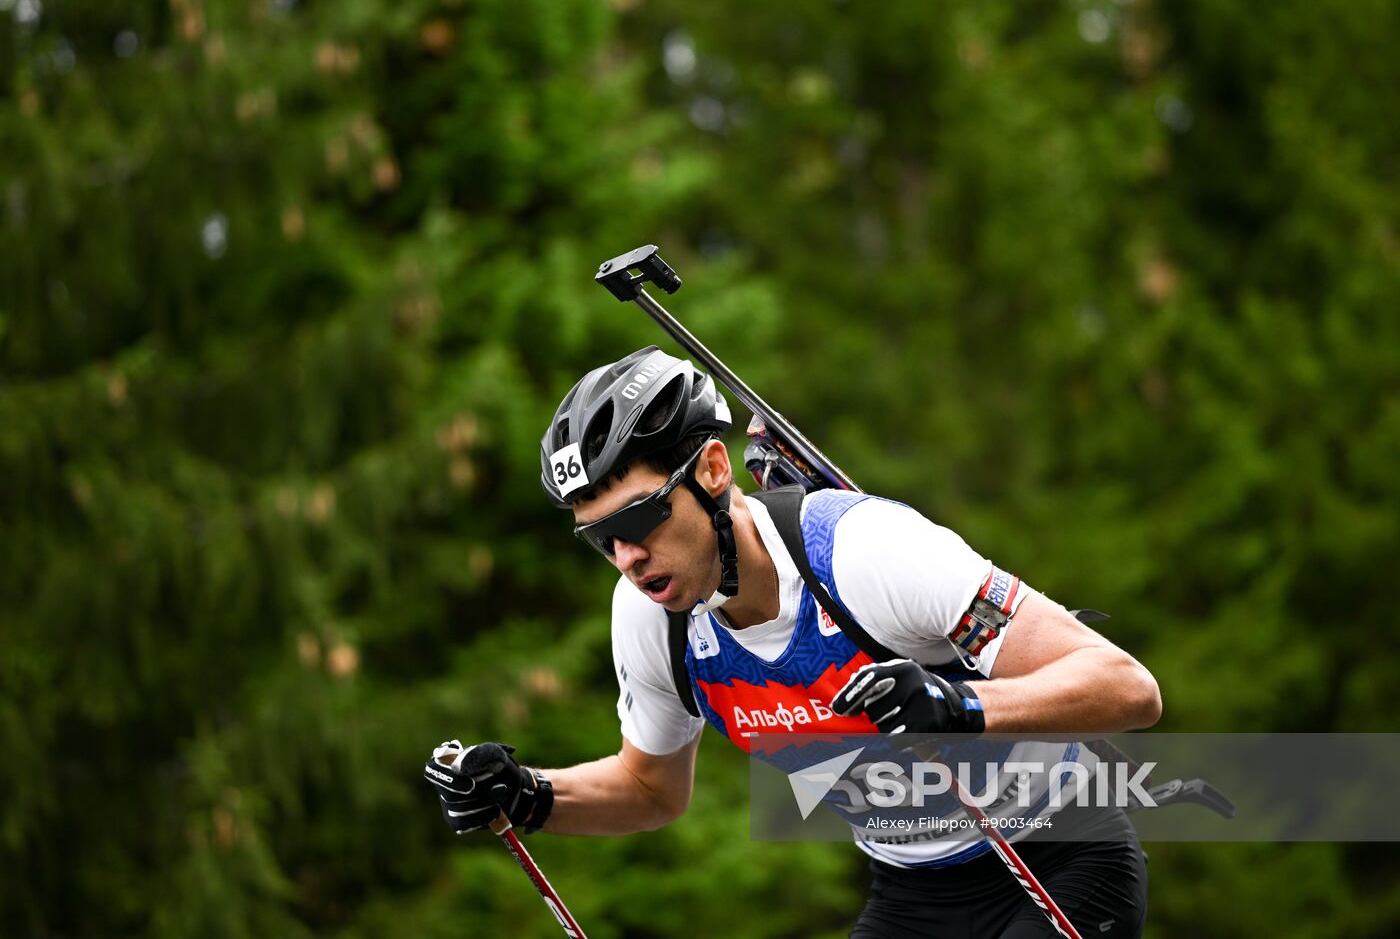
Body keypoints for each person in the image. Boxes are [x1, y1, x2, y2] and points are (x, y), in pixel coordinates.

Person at [424, 346, 1163, 938]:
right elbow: (650, 790)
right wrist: (530, 794)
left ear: (713, 470)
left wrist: (958, 704)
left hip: (1061, 854)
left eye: (641, 519)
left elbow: (1127, 687)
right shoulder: (654, 619)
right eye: (600, 539)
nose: (627, 557)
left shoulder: (863, 552)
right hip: (914, 892)